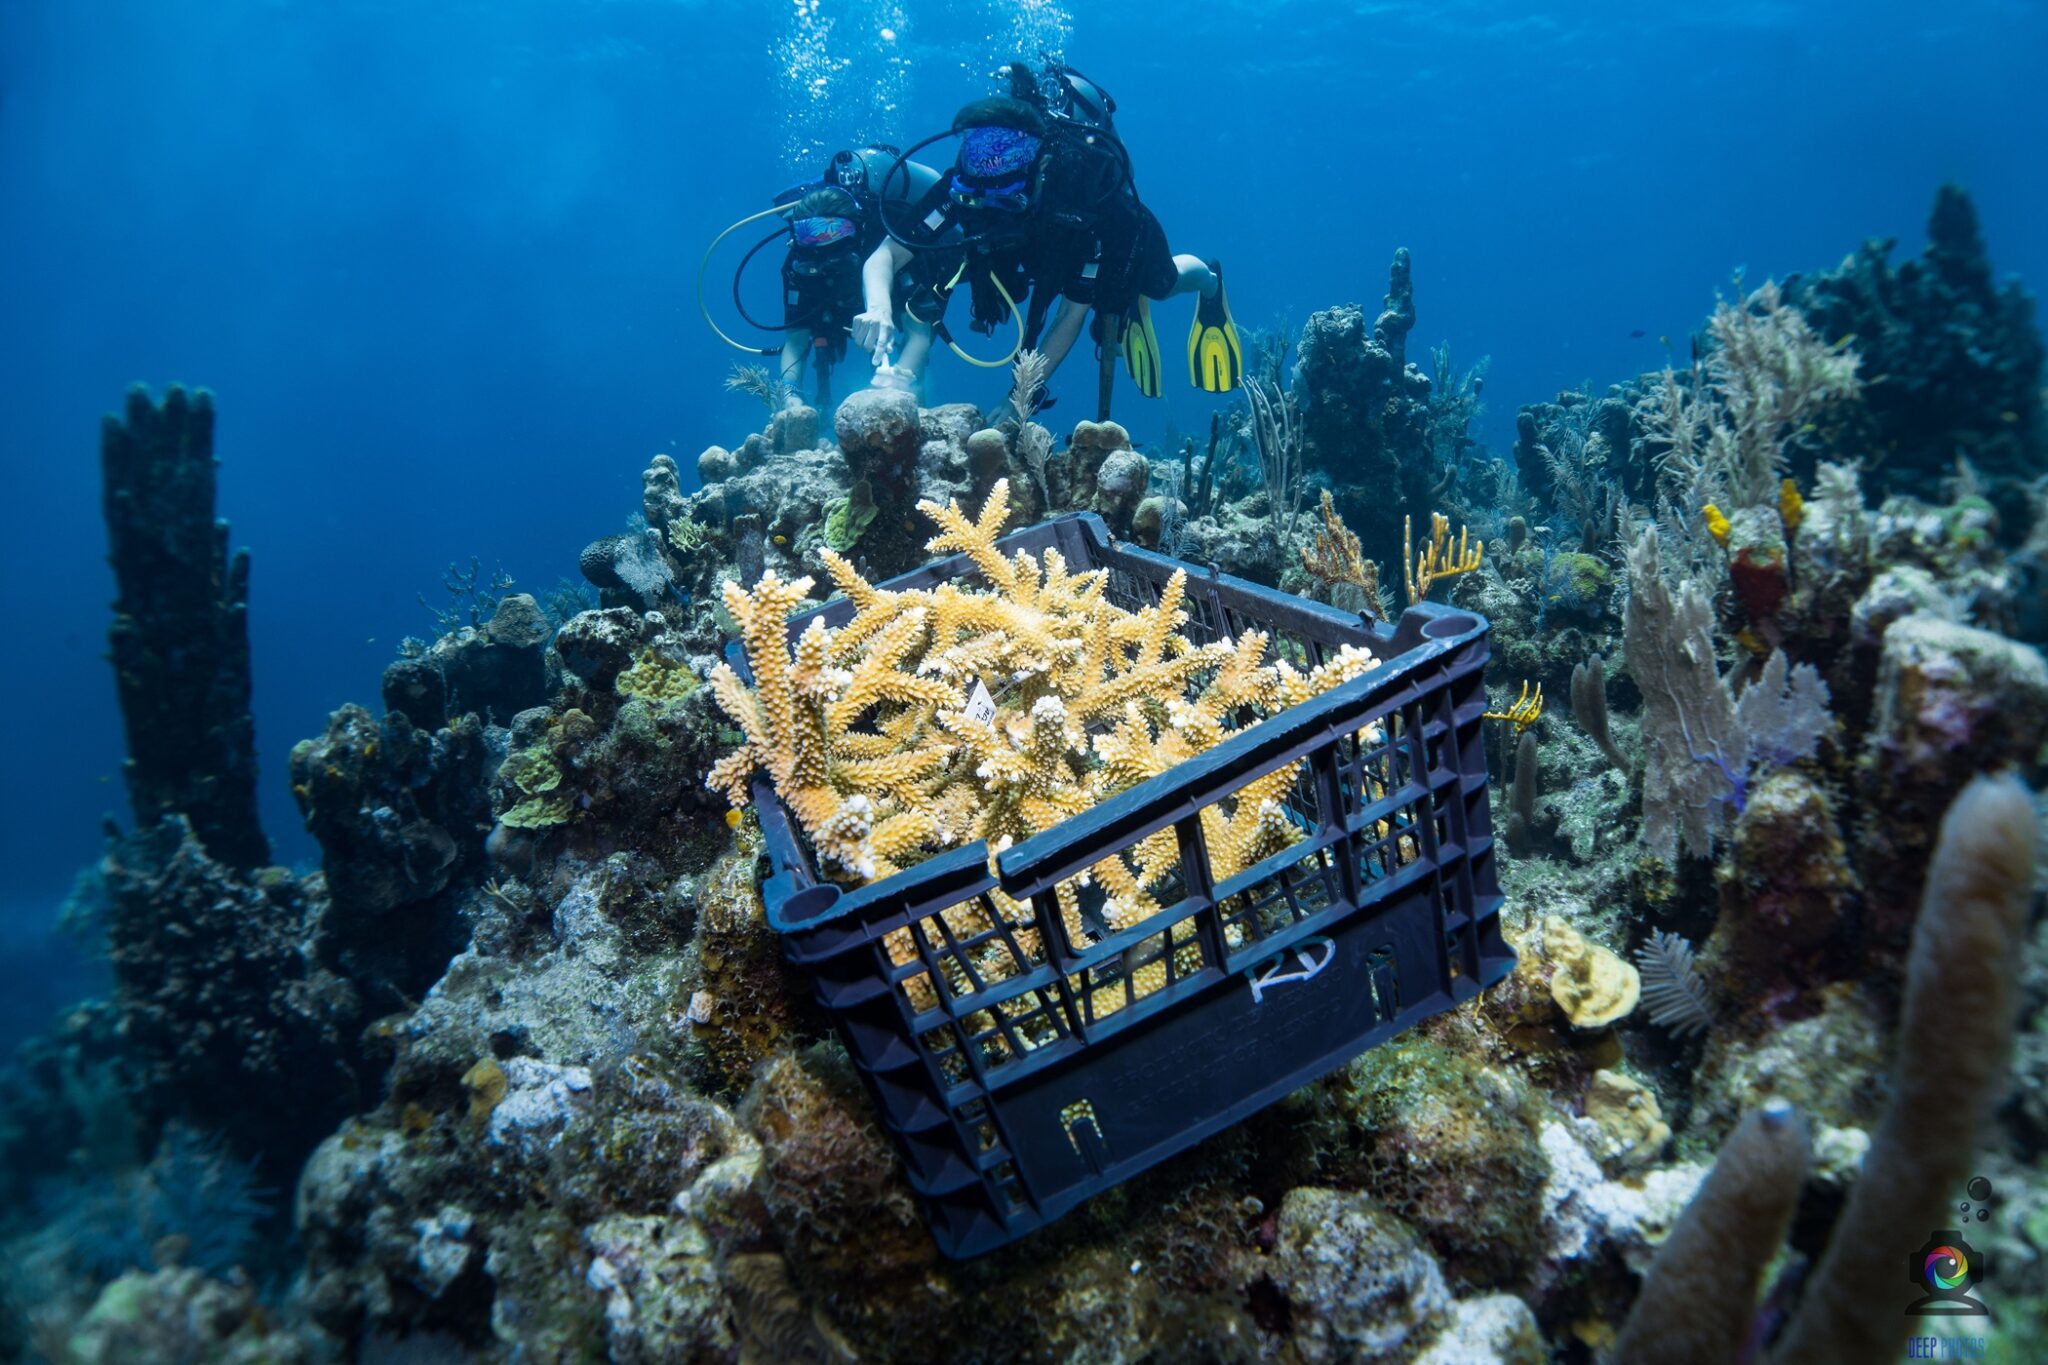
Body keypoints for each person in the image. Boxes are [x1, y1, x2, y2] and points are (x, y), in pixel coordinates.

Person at [853, 62, 1241, 420]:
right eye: (979, 149)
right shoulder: (965, 186)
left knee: (1161, 283)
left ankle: (1208, 279)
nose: (990, 165)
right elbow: (886, 255)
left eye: (1007, 154)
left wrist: (1017, 396)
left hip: (1108, 240)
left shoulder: (1083, 197)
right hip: (1031, 251)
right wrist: (879, 309)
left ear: (1039, 158)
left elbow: (1069, 318)